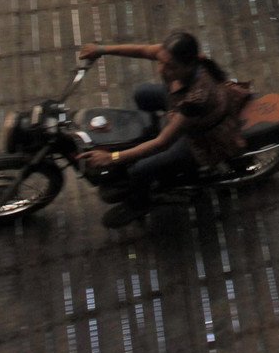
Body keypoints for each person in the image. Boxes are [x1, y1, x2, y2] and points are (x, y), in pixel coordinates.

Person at [77, 31, 247, 227]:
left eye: (170, 67)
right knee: (142, 93)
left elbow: (163, 142)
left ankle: (140, 203)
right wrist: (101, 50)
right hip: (178, 110)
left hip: (198, 138)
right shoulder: (175, 57)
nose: (162, 70)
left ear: (189, 65)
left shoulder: (197, 97)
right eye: (161, 62)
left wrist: (113, 157)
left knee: (141, 169)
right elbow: (143, 50)